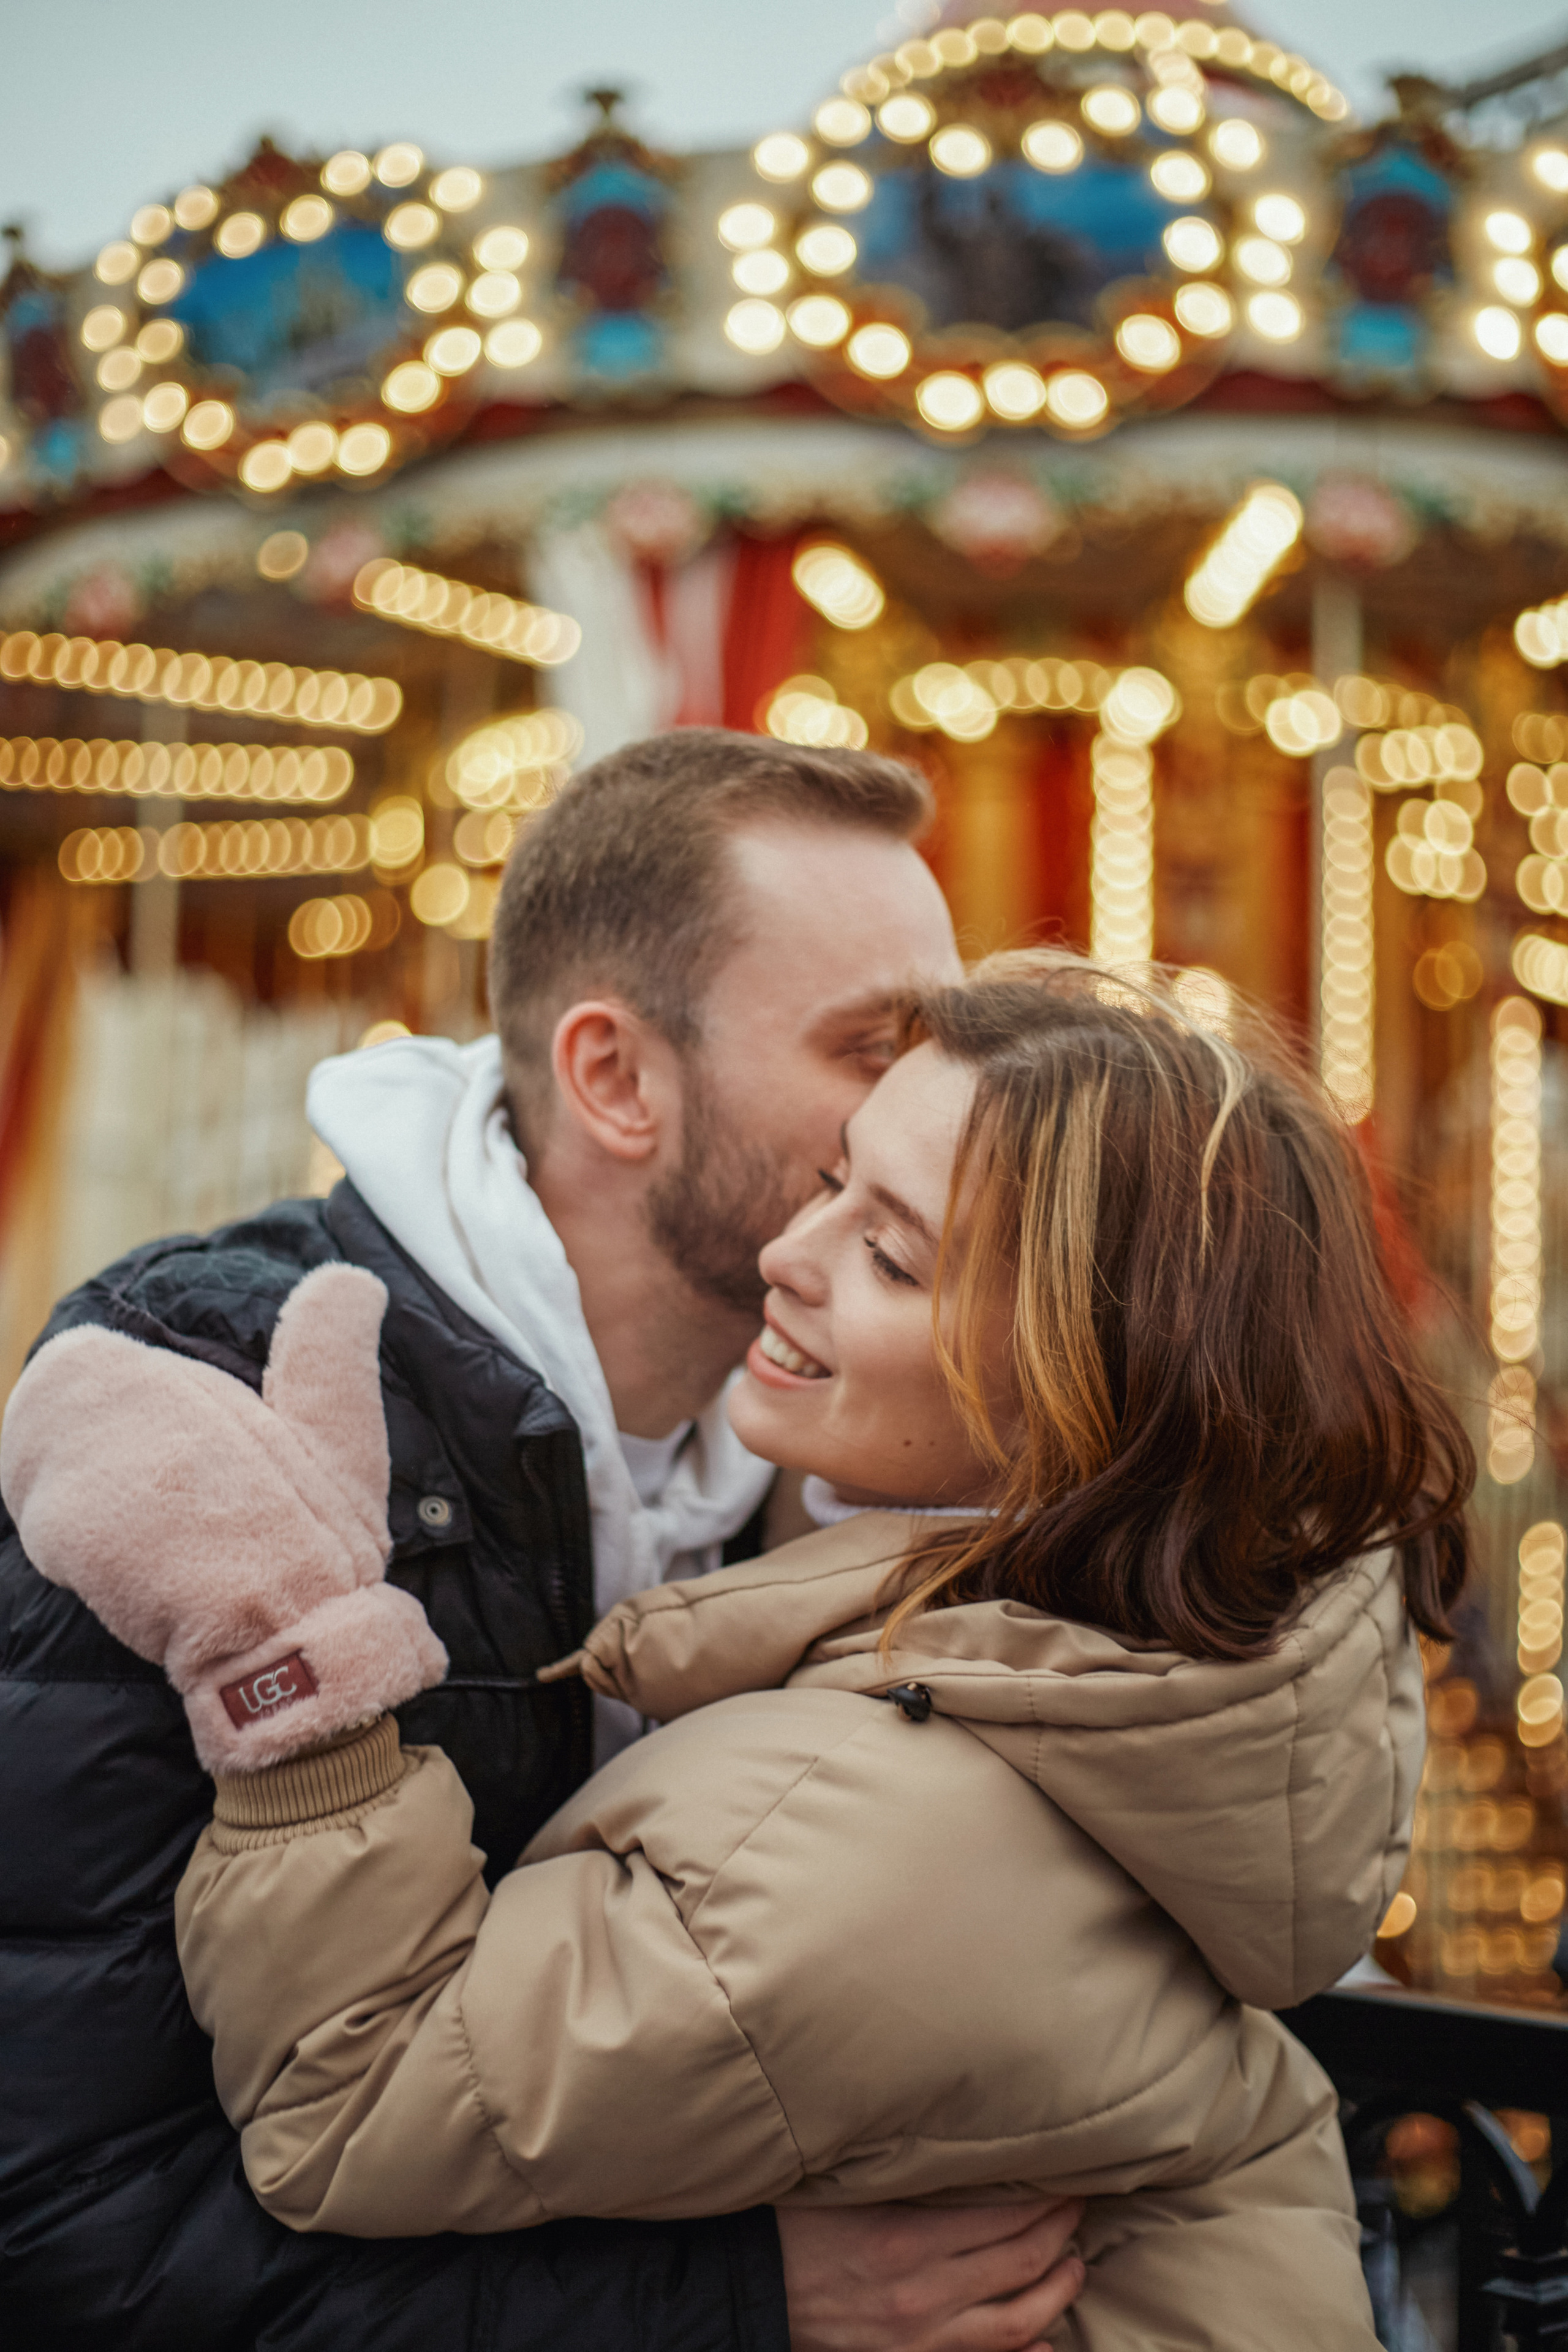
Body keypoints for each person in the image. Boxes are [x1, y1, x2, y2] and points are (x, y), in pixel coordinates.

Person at [6, 952, 1471, 2348]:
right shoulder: (1160, 1655)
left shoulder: (862, 1837)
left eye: (889, 1255)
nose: (786, 1250)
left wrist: (289, 1656)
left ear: (1086, 1402)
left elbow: (348, 2110)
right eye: (835, 1177)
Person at [0, 733, 1088, 2352]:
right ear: (615, 1079)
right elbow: (70, 2229)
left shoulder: (862, 1442)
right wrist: (733, 2299)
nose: (937, 1111)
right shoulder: (203, 1408)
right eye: (875, 1047)